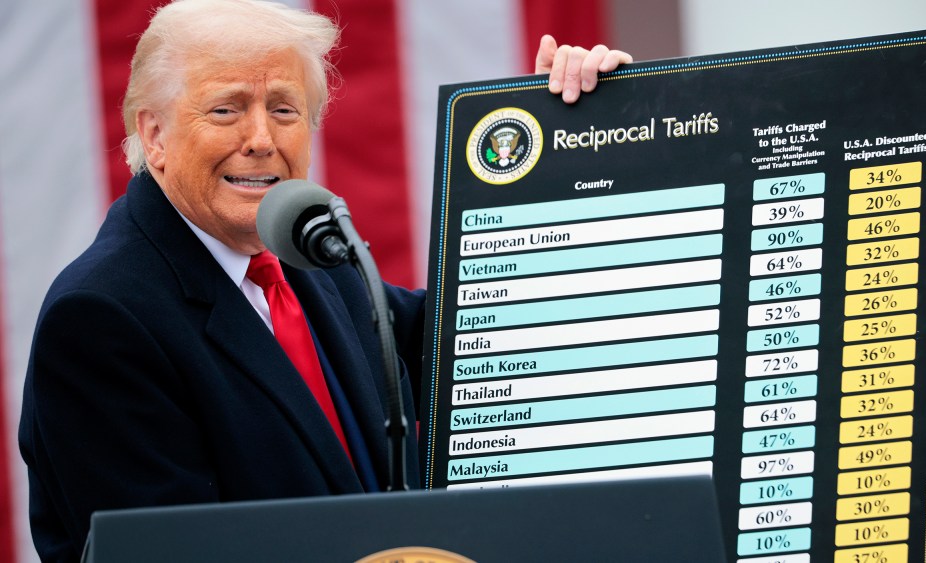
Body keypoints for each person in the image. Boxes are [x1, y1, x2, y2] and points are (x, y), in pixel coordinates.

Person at [17, 0, 633, 560]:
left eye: (284, 109)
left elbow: (476, 339)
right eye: (226, 109)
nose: (261, 140)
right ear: (154, 134)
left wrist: (570, 142)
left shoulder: (308, 252)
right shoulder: (101, 319)